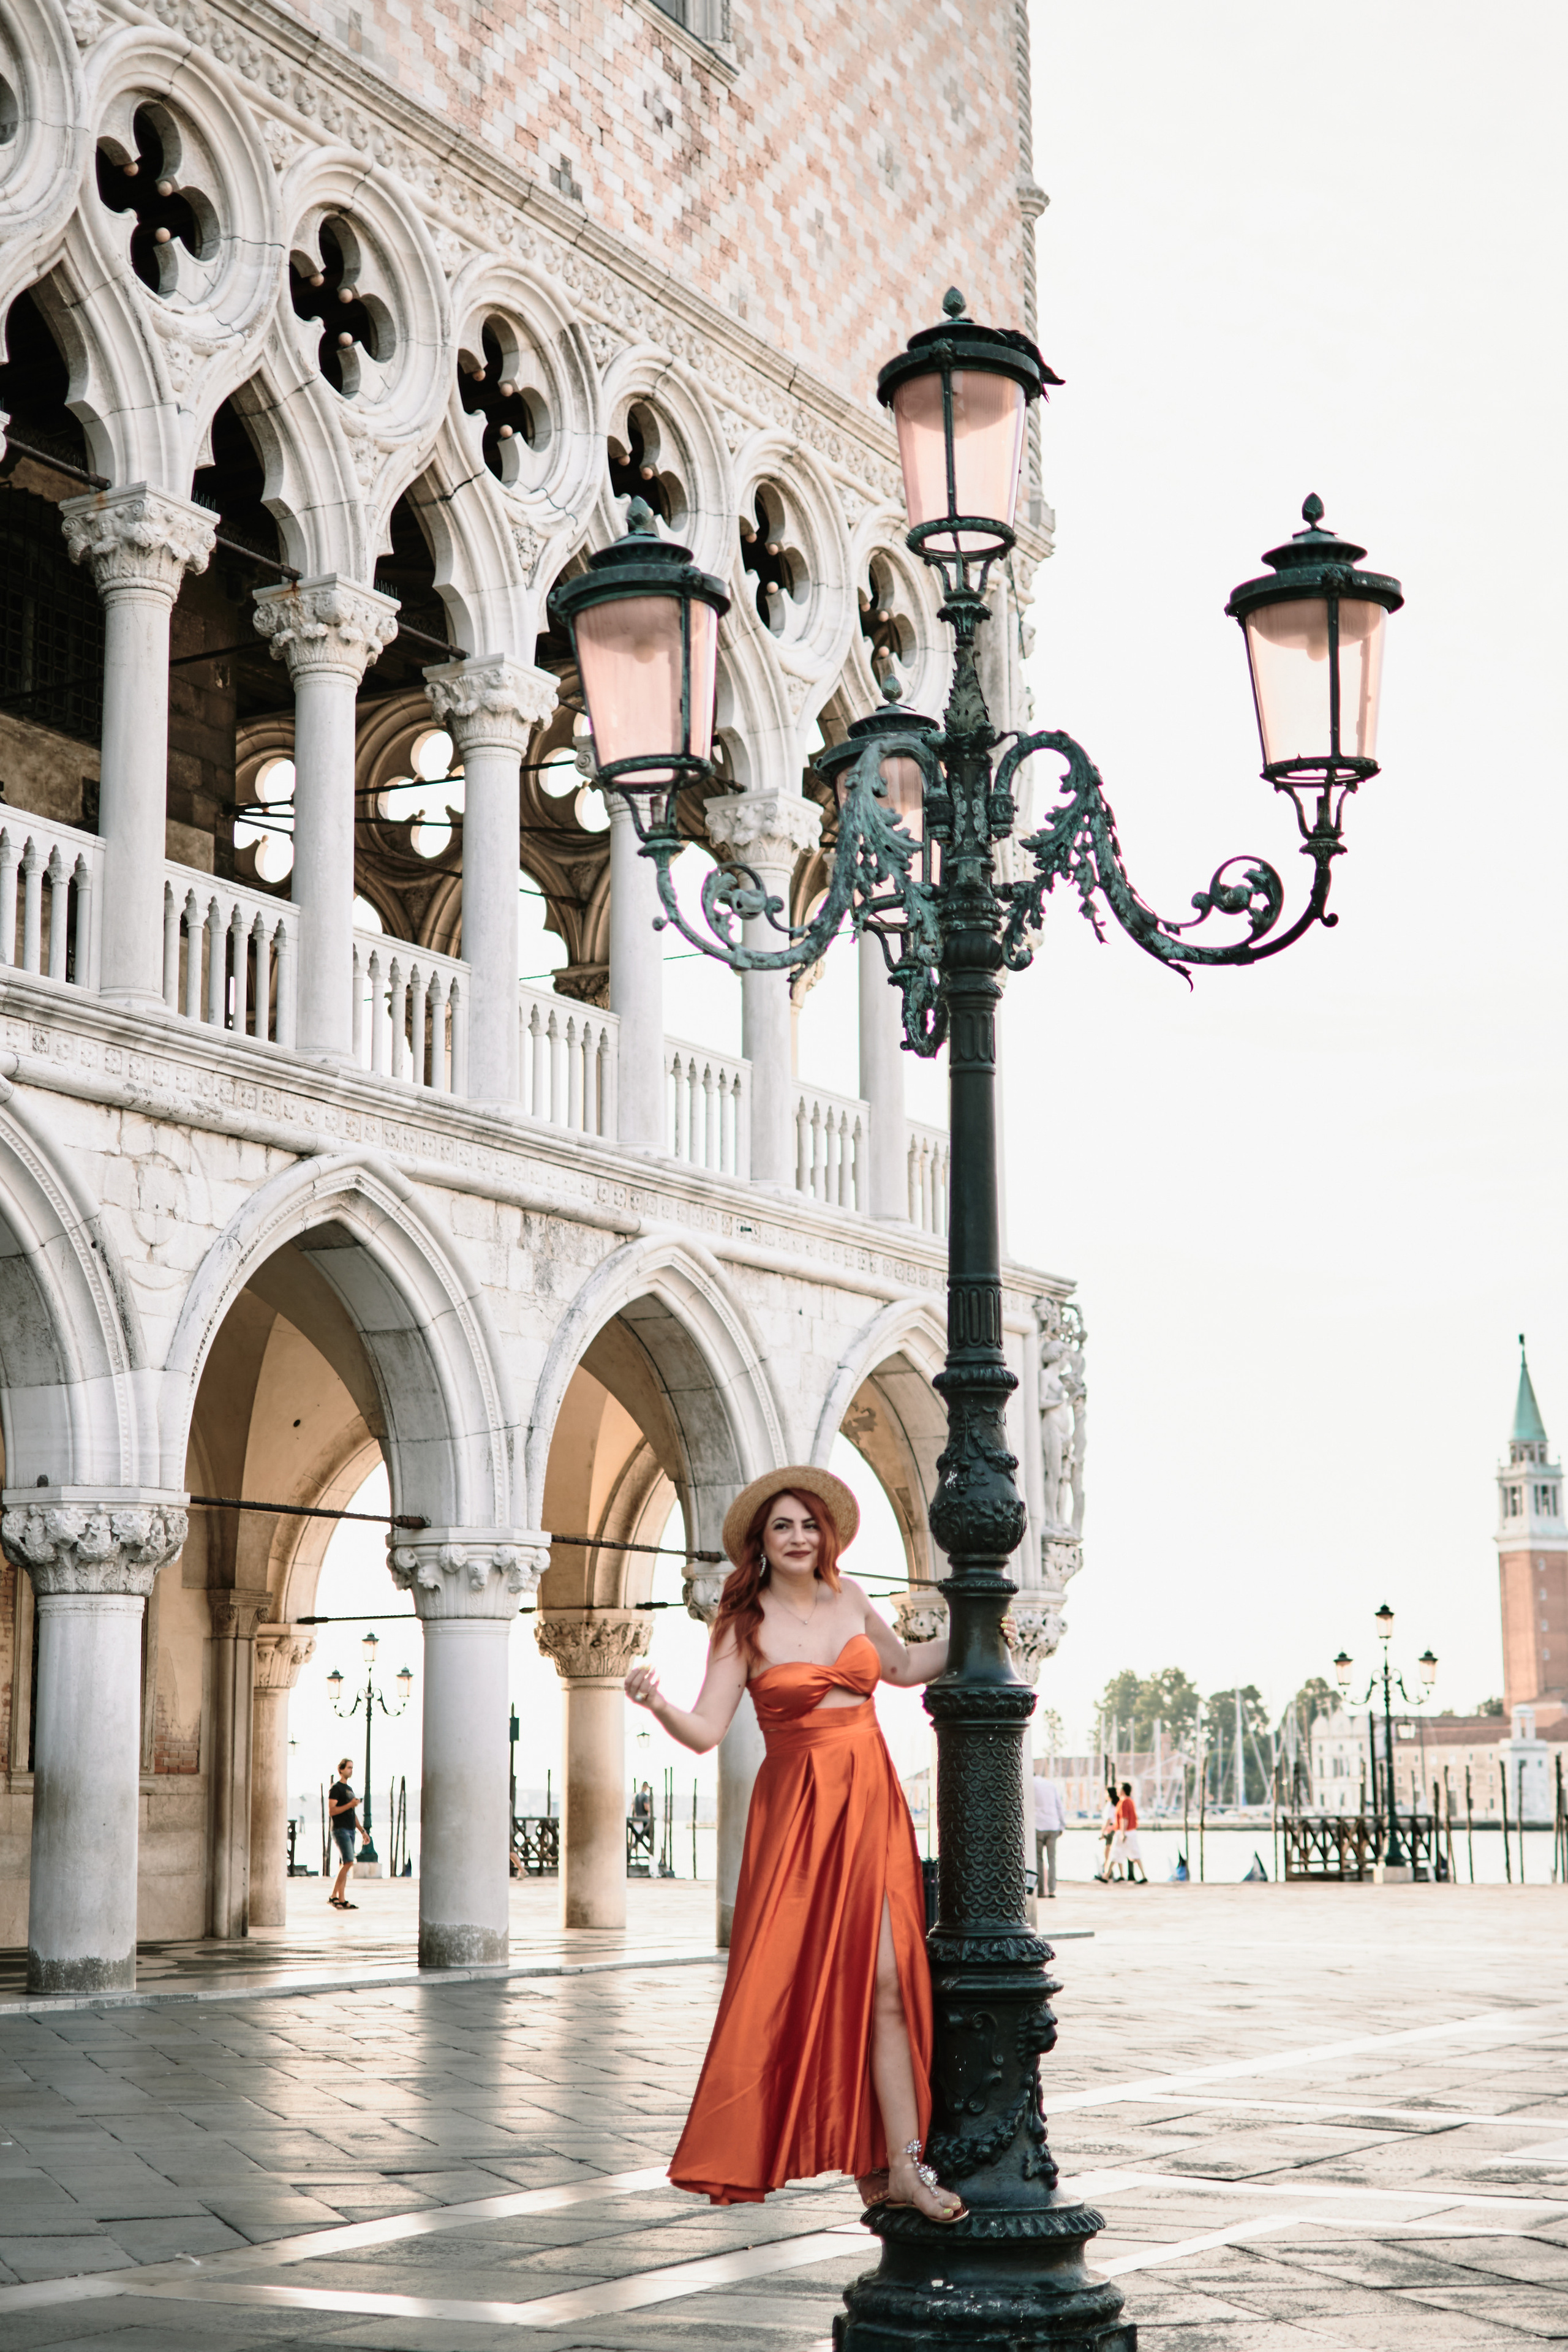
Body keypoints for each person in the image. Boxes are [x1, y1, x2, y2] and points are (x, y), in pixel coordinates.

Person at [624, 1466, 965, 2223]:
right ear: (761, 1544)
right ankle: (783, 2140)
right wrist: (656, 1706)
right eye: (783, 1527)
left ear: (826, 1534)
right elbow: (707, 1733)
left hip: (870, 1799)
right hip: (798, 1816)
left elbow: (905, 1668)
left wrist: (977, 1624)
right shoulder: (740, 1626)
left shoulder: (850, 1598)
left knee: (887, 1983)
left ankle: (903, 2165)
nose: (799, 1537)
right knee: (783, 1984)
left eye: (809, 1524)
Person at [327, 1757, 366, 1910]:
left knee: (345, 1864)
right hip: (340, 1830)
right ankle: (333, 1896)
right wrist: (351, 1804)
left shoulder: (349, 1790)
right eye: (349, 1768)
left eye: (352, 1768)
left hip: (350, 1829)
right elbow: (332, 1811)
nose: (351, 1770)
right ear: (341, 1769)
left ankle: (342, 1899)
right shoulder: (336, 1788)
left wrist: (362, 1831)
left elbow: (352, 1813)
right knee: (349, 1862)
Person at [1033, 1767, 1066, 1898]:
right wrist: (1062, 1825)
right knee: (1052, 1859)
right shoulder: (1050, 1785)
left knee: (1039, 1859)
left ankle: (1042, 1891)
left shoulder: (1030, 1785)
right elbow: (1059, 1806)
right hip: (1053, 1825)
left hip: (1038, 1826)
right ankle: (1052, 1890)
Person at [1111, 1779, 1148, 1884]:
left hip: (1126, 1832)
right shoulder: (1130, 1801)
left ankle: (1108, 1875)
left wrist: (1122, 1833)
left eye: (1119, 1789)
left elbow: (1124, 1818)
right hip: (1129, 1831)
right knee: (1124, 1853)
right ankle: (1121, 1875)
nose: (1117, 1791)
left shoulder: (1124, 1802)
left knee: (1123, 1852)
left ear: (1123, 1791)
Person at [1095, 1790, 1118, 1882]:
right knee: (1110, 1852)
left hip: (1110, 1831)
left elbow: (1108, 1820)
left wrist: (1102, 1833)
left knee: (1107, 1853)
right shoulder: (1114, 1805)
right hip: (1113, 1830)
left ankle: (1108, 1873)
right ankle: (1108, 1872)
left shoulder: (1110, 1805)